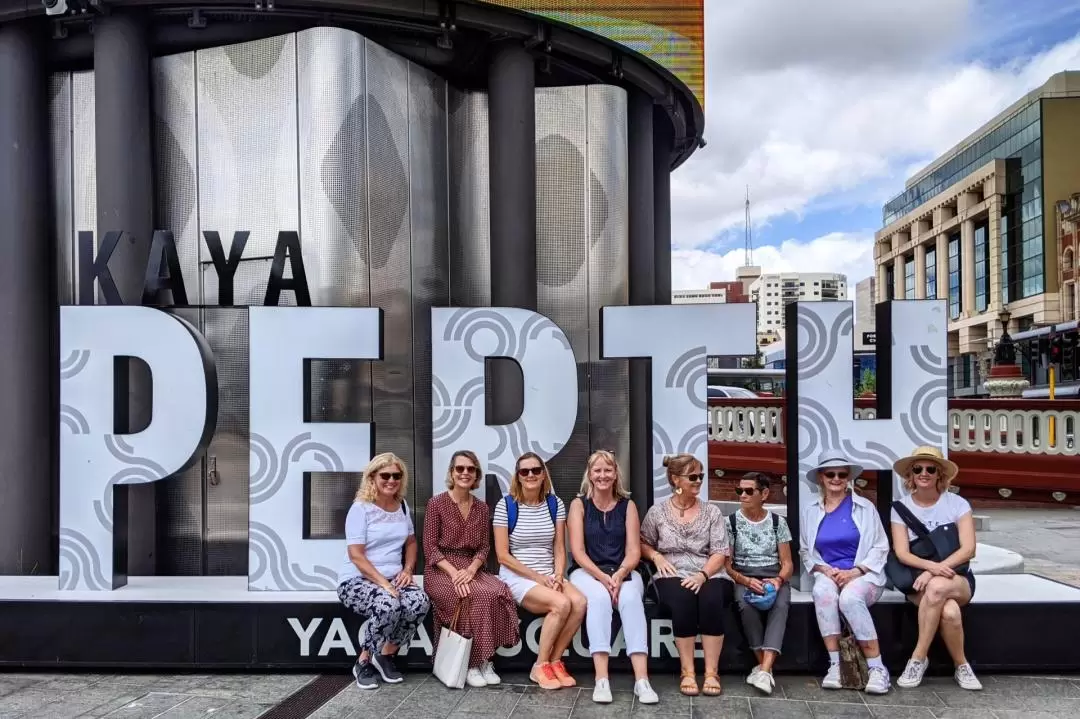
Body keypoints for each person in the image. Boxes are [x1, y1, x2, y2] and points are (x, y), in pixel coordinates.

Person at [567, 450, 659, 705]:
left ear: (616, 473)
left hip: (623, 571)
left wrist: (618, 575)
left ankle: (642, 680)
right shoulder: (578, 505)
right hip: (586, 572)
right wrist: (602, 578)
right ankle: (601, 679)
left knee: (630, 600)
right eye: (597, 470)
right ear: (589, 474)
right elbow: (578, 551)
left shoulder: (627, 506)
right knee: (598, 599)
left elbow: (634, 551)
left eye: (608, 470)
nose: (602, 475)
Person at [423, 450, 521, 688]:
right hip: (441, 569)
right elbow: (430, 546)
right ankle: (470, 663)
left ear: (476, 474)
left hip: (471, 567)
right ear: (452, 472)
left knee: (497, 591)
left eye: (470, 469)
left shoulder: (481, 507)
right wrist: (454, 572)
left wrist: (472, 569)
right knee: (467, 595)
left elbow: (484, 547)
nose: (465, 473)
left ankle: (486, 659)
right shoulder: (436, 503)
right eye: (460, 468)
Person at [639, 453, 732, 697]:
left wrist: (703, 575)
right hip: (670, 571)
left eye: (700, 476)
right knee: (683, 599)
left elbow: (720, 551)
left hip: (709, 571)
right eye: (693, 477)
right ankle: (688, 671)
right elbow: (642, 543)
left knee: (711, 599)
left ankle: (711, 672)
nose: (699, 481)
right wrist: (657, 557)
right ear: (675, 480)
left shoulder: (711, 512)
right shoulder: (657, 512)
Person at [800, 449, 892, 695]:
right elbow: (806, 551)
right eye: (831, 474)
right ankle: (835, 664)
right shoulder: (810, 510)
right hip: (829, 573)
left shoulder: (865, 507)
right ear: (821, 477)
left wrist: (856, 571)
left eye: (842, 474)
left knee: (850, 598)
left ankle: (877, 668)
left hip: (864, 575)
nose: (837, 479)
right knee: (823, 592)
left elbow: (881, 546)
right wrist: (825, 570)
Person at [890, 446, 982, 691]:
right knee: (949, 612)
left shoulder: (957, 504)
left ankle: (918, 658)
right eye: (918, 469)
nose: (924, 473)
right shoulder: (900, 507)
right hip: (917, 578)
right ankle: (962, 665)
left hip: (956, 576)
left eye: (931, 469)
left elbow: (968, 549)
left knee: (938, 586)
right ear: (910, 474)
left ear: (940, 474)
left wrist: (935, 570)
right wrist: (929, 568)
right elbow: (902, 553)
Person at [337, 453, 430, 690]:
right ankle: (363, 661)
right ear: (372, 478)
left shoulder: (402, 506)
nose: (391, 480)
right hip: (357, 580)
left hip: (393, 578)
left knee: (419, 602)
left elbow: (411, 542)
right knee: (388, 604)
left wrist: (408, 569)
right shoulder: (361, 509)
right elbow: (356, 555)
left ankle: (385, 655)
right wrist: (384, 584)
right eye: (385, 475)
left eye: (396, 475)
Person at [493, 452, 586, 690]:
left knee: (580, 602)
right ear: (518, 476)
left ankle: (555, 661)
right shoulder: (506, 505)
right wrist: (538, 578)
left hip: (549, 575)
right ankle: (540, 666)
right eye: (525, 471)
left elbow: (559, 548)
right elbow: (503, 555)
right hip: (518, 576)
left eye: (536, 470)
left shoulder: (556, 504)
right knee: (562, 604)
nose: (531, 475)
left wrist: (557, 575)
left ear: (544, 474)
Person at [724, 472, 794, 695]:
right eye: (739, 491)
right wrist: (746, 580)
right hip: (744, 575)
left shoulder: (777, 522)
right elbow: (726, 565)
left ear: (764, 494)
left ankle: (763, 670)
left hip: (773, 574)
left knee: (781, 606)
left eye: (748, 491)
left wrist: (778, 580)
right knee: (745, 606)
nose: (742, 495)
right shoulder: (731, 522)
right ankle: (765, 667)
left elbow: (788, 563)